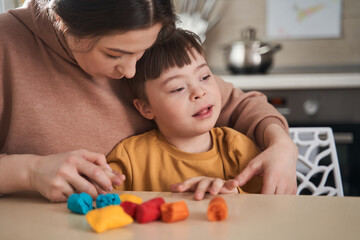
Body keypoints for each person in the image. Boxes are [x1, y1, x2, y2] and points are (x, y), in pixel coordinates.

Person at [0, 0, 297, 203]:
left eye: (142, 51)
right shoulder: (6, 44)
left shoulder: (149, 42)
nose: (130, 72)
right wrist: (29, 171)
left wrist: (282, 144)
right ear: (63, 23)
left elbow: (242, 105)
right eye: (114, 54)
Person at [107, 29, 264, 200]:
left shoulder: (238, 149)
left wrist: (233, 194)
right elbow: (100, 200)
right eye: (178, 88)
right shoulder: (130, 158)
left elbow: (271, 206)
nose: (199, 92)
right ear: (146, 108)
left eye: (204, 77)